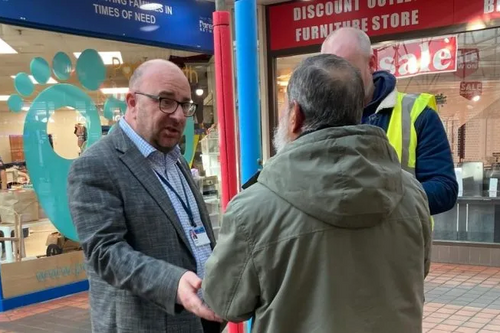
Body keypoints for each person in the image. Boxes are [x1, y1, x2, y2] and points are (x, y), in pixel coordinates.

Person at [202, 54, 432, 333]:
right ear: (356, 111)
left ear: (295, 115)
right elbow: (417, 272)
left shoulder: (252, 209)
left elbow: (225, 303)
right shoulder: (413, 195)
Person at [67, 59, 222, 333]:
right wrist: (172, 283)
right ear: (132, 102)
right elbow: (105, 253)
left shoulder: (175, 159)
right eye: (165, 101)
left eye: (185, 105)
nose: (177, 115)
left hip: (198, 321)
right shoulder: (95, 164)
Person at [321, 27, 458, 216]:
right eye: (331, 77)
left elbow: (445, 190)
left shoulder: (417, 114)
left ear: (372, 63)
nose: (342, 86)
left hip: (401, 240)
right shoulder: (320, 115)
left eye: (350, 73)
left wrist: (378, 201)